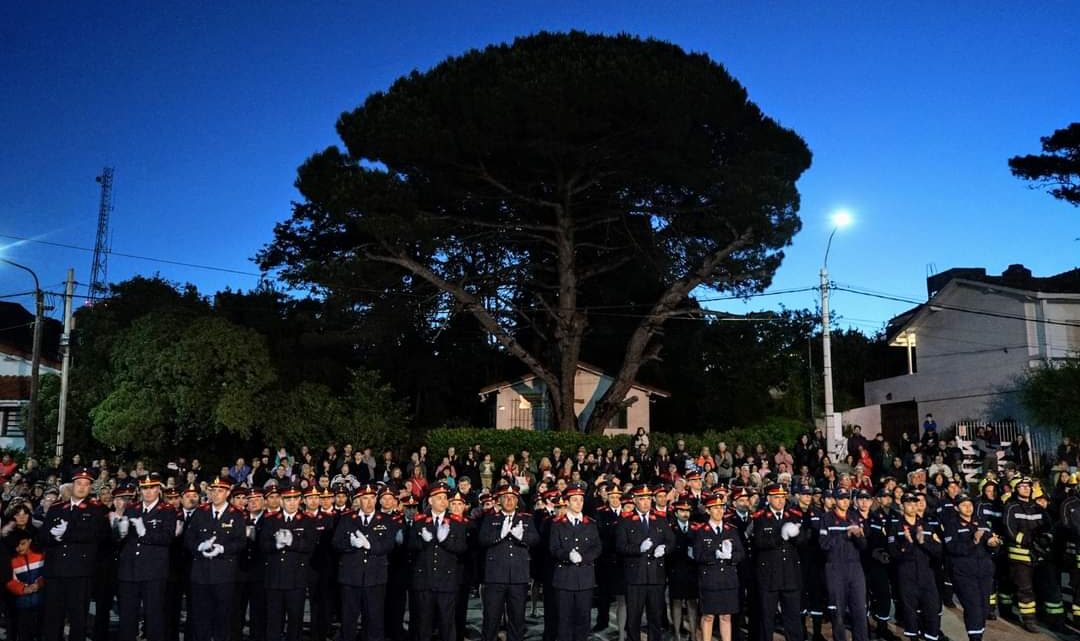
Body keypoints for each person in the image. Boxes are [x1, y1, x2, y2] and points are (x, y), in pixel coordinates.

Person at [37, 468, 110, 641]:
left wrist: (66, 533)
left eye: (86, 484)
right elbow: (41, 537)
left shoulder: (96, 510)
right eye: (79, 483)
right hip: (55, 572)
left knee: (78, 620)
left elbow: (99, 536)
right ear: (72, 485)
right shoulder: (56, 508)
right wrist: (54, 536)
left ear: (90, 487)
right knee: (53, 619)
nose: (82, 487)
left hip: (80, 572)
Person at [184, 476, 248, 641]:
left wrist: (223, 548)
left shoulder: (237, 514)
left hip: (224, 574)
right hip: (201, 574)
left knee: (223, 618)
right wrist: (199, 547)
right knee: (201, 619)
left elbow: (241, 542)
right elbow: (189, 539)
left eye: (220, 491)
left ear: (227, 493)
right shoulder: (200, 512)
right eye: (213, 491)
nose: (216, 494)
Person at [116, 473, 178, 641]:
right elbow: (122, 540)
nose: (148, 491)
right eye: (145, 488)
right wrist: (118, 531)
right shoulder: (132, 508)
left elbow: (167, 538)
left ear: (158, 489)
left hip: (154, 571)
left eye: (152, 488)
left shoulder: (167, 510)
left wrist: (145, 533)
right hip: (130, 569)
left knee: (154, 616)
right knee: (127, 616)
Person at [334, 482, 398, 641]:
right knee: (348, 621)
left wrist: (371, 546)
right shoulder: (347, 519)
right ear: (358, 500)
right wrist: (350, 544)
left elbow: (389, 545)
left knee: (375, 621)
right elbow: (335, 543)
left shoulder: (386, 520)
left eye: (372, 498)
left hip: (375, 578)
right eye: (365, 498)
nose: (369, 502)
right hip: (351, 578)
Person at [478, 484, 539, 641]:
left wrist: (522, 537)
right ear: (499, 500)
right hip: (495, 577)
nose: (509, 501)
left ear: (517, 501)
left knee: (517, 620)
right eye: (505, 497)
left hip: (518, 577)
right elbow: (482, 540)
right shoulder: (490, 518)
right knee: (491, 619)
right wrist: (500, 534)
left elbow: (535, 539)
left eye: (513, 498)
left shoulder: (526, 518)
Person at [409, 483, 469, 641]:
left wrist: (446, 541)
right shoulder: (420, 521)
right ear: (430, 501)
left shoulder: (456, 522)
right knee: (423, 625)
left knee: (447, 625)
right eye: (439, 498)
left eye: (445, 498)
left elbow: (462, 547)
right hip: (424, 581)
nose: (443, 501)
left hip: (447, 581)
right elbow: (410, 546)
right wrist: (423, 541)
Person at [616, 484, 674, 641]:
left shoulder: (660, 520)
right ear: (635, 500)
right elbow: (620, 546)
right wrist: (638, 549)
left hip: (656, 576)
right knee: (634, 617)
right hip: (635, 577)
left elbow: (671, 541)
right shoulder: (626, 521)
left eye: (648, 499)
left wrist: (665, 548)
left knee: (655, 617)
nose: (646, 502)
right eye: (642, 499)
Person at [750, 483, 808, 641]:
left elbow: (803, 541)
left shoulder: (794, 514)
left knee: (793, 618)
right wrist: (780, 536)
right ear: (769, 499)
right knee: (766, 618)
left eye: (782, 497)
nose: (780, 500)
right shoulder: (760, 517)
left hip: (790, 574)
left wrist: (796, 535)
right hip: (769, 575)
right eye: (776, 497)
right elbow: (759, 543)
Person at [548, 483, 602, 641]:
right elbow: (554, 548)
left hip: (585, 579)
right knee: (564, 621)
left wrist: (584, 558)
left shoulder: (590, 524)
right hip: (564, 579)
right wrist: (567, 555)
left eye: (581, 500)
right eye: (575, 500)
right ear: (567, 502)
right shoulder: (558, 525)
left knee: (583, 621)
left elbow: (597, 547)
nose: (579, 503)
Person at [942, 494, 1000, 641]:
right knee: (973, 607)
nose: (968, 508)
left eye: (970, 504)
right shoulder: (951, 525)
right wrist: (973, 541)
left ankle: (978, 633)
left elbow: (991, 543)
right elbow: (952, 548)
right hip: (964, 573)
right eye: (963, 505)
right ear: (956, 508)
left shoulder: (980, 522)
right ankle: (975, 638)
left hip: (984, 571)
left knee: (984, 608)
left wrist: (994, 544)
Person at [888, 492, 942, 641]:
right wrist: (908, 542)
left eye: (914, 503)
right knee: (910, 612)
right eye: (908, 503)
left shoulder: (926, 525)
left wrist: (923, 542)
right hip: (906, 574)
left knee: (931, 609)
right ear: (902, 506)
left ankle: (932, 637)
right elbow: (893, 553)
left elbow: (939, 551)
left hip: (926, 574)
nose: (912, 506)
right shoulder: (896, 526)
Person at [693, 493, 744, 641]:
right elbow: (698, 556)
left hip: (728, 580)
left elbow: (741, 553)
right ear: (708, 510)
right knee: (708, 616)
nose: (719, 511)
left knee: (726, 616)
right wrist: (715, 555)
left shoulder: (731, 529)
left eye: (721, 507)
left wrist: (730, 556)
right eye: (715, 508)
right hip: (710, 580)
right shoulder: (701, 531)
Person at [818, 489, 867, 641]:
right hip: (835, 568)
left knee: (859, 609)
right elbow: (824, 545)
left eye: (847, 498)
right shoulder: (826, 518)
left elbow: (863, 546)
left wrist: (858, 536)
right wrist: (846, 534)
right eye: (841, 499)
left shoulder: (854, 517)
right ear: (835, 500)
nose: (845, 501)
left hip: (855, 568)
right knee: (838, 612)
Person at [1003, 477, 1048, 632]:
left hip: (1038, 555)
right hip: (1019, 556)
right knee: (1025, 589)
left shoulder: (1037, 507)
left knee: (1040, 587)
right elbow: (1009, 530)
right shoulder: (1011, 507)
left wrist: (1045, 539)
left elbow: (1048, 526)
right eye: (1021, 487)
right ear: (1016, 490)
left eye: (1027, 486)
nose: (1025, 489)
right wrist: (1027, 540)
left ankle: (1040, 616)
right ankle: (1029, 620)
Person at [5, 529, 44, 641]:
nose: (20, 547)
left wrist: (39, 584)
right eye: (17, 545)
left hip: (41, 602)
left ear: (30, 541)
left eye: (23, 544)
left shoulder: (40, 556)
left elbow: (47, 574)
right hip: (22, 605)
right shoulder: (12, 561)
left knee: (42, 631)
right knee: (24, 634)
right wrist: (23, 589)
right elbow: (9, 580)